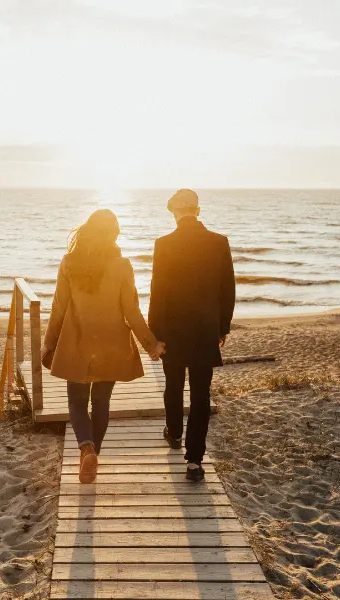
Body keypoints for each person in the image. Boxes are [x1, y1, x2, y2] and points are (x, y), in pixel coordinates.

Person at [42, 209, 165, 484]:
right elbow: (131, 312)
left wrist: (48, 344)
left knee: (76, 402)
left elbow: (59, 309)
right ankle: (93, 453)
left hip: (76, 343)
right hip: (112, 343)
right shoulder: (122, 265)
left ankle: (86, 448)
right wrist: (151, 344)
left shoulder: (69, 263)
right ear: (113, 235)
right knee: (101, 402)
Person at [148, 189, 235, 482]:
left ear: (174, 212)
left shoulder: (163, 244)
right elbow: (228, 290)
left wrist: (155, 334)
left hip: (172, 331)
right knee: (200, 394)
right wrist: (222, 327)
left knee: (173, 386)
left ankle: (173, 433)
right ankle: (195, 461)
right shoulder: (218, 242)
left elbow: (157, 293)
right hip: (205, 329)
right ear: (198, 211)